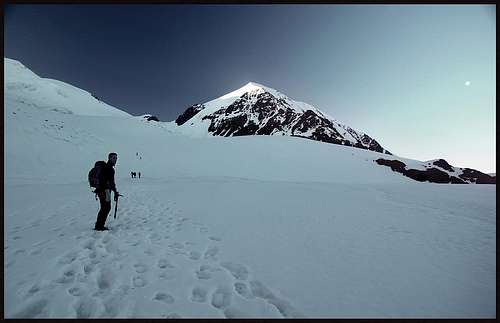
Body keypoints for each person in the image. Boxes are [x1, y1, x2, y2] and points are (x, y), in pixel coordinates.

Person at [94, 152, 120, 231]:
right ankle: (99, 226)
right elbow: (111, 182)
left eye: (116, 158)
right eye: (113, 158)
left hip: (102, 190)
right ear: (109, 158)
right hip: (104, 190)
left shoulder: (107, 167)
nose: (115, 159)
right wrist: (115, 191)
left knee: (105, 207)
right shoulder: (109, 168)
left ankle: (99, 225)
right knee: (106, 207)